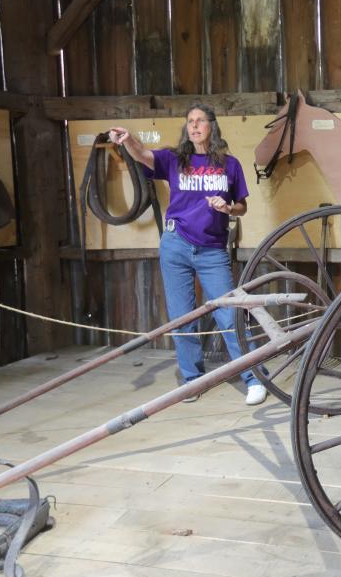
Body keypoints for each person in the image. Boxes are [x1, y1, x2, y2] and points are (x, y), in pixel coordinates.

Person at [108, 104, 267, 406]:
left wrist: (228, 208)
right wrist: (128, 139)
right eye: (190, 121)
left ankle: (252, 377)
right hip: (176, 244)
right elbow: (143, 154)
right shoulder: (173, 160)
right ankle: (191, 381)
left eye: (200, 121)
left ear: (212, 126)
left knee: (228, 312)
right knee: (183, 316)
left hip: (212, 250)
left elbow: (242, 206)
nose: (194, 126)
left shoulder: (229, 165)